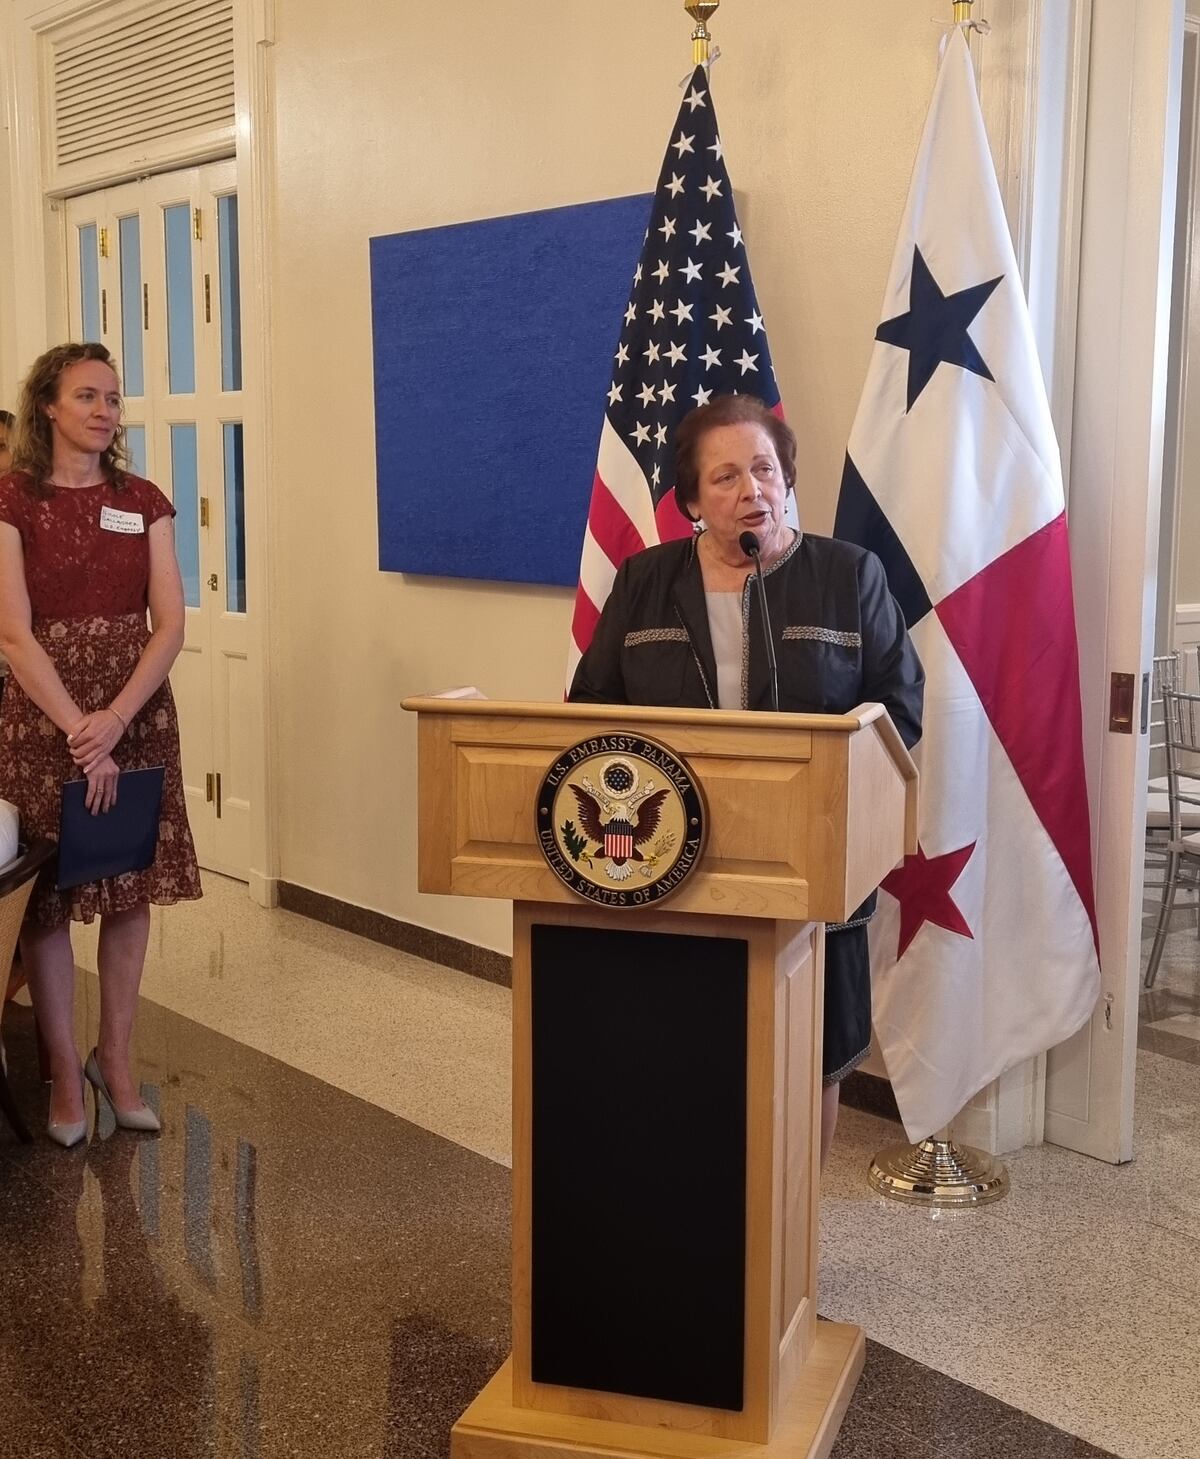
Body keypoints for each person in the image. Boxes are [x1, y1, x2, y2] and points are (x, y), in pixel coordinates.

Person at [569, 394, 924, 1165]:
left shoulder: (847, 575)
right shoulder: (642, 581)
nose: (751, 489)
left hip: (813, 866)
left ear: (787, 477)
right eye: (724, 476)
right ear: (693, 501)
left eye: (763, 468)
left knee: (810, 1055)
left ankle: (790, 1239)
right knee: (685, 1051)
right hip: (672, 865)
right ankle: (694, 1216)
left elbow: (899, 710)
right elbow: (592, 709)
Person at [0, 342, 201, 1147]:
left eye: (114, 398)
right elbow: (13, 634)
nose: (105, 410)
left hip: (138, 708)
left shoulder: (143, 498)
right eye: (88, 395)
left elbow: (172, 622)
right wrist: (81, 730)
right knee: (48, 899)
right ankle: (60, 1073)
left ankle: (112, 1060)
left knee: (128, 889)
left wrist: (115, 719)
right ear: (47, 405)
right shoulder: (11, 498)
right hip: (40, 712)